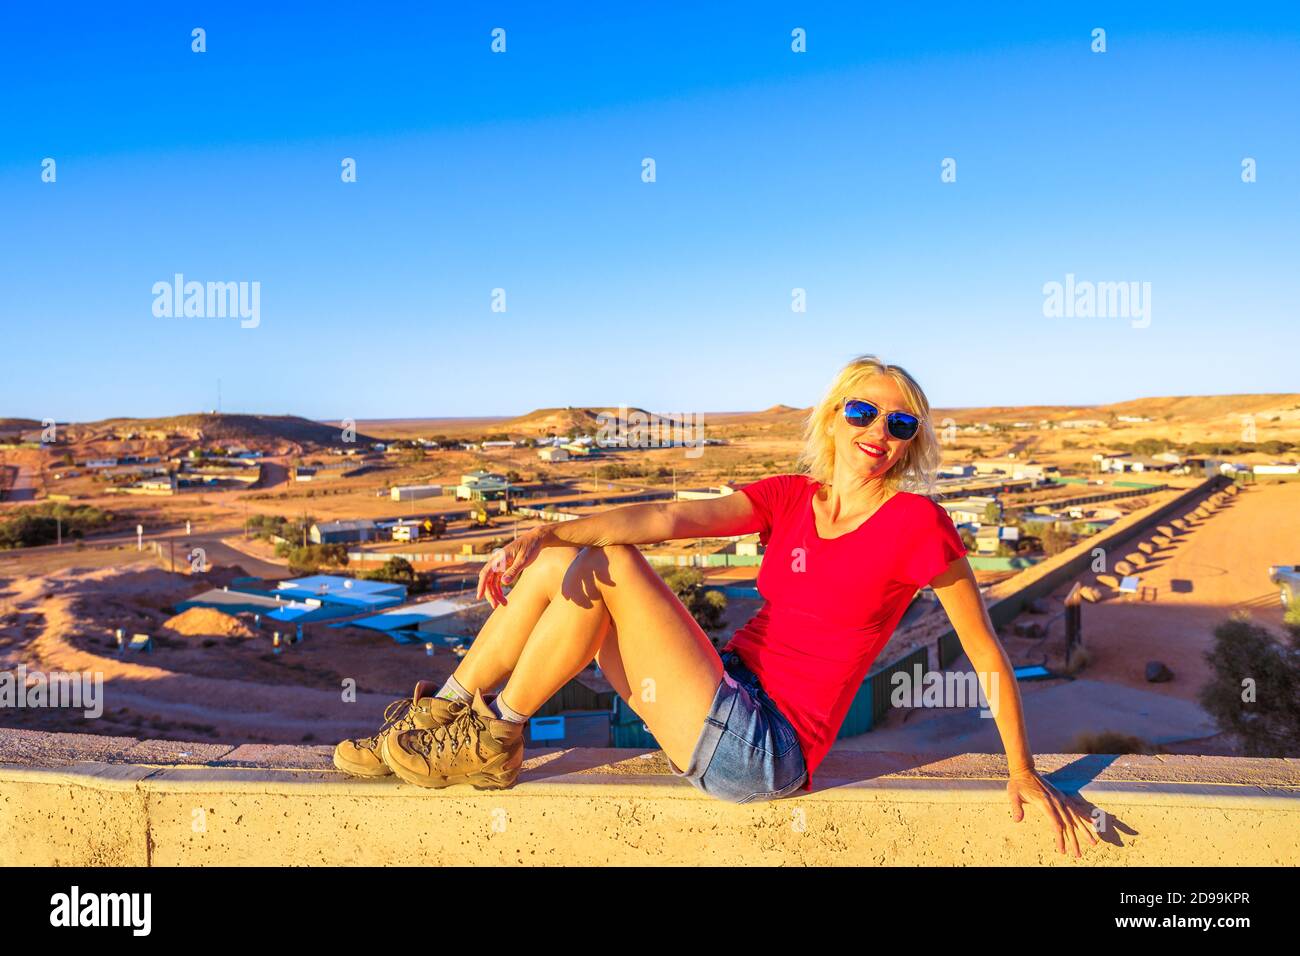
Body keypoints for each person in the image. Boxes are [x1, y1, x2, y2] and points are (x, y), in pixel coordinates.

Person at [334, 354, 1098, 857]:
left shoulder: (915, 525)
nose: (879, 435)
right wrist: (546, 530)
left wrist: (1023, 769)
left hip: (766, 750)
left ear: (911, 442)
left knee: (612, 568)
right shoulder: (792, 497)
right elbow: (672, 519)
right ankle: (442, 718)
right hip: (722, 692)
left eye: (901, 425)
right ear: (833, 416)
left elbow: (986, 651)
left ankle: (496, 735)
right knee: (569, 560)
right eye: (863, 414)